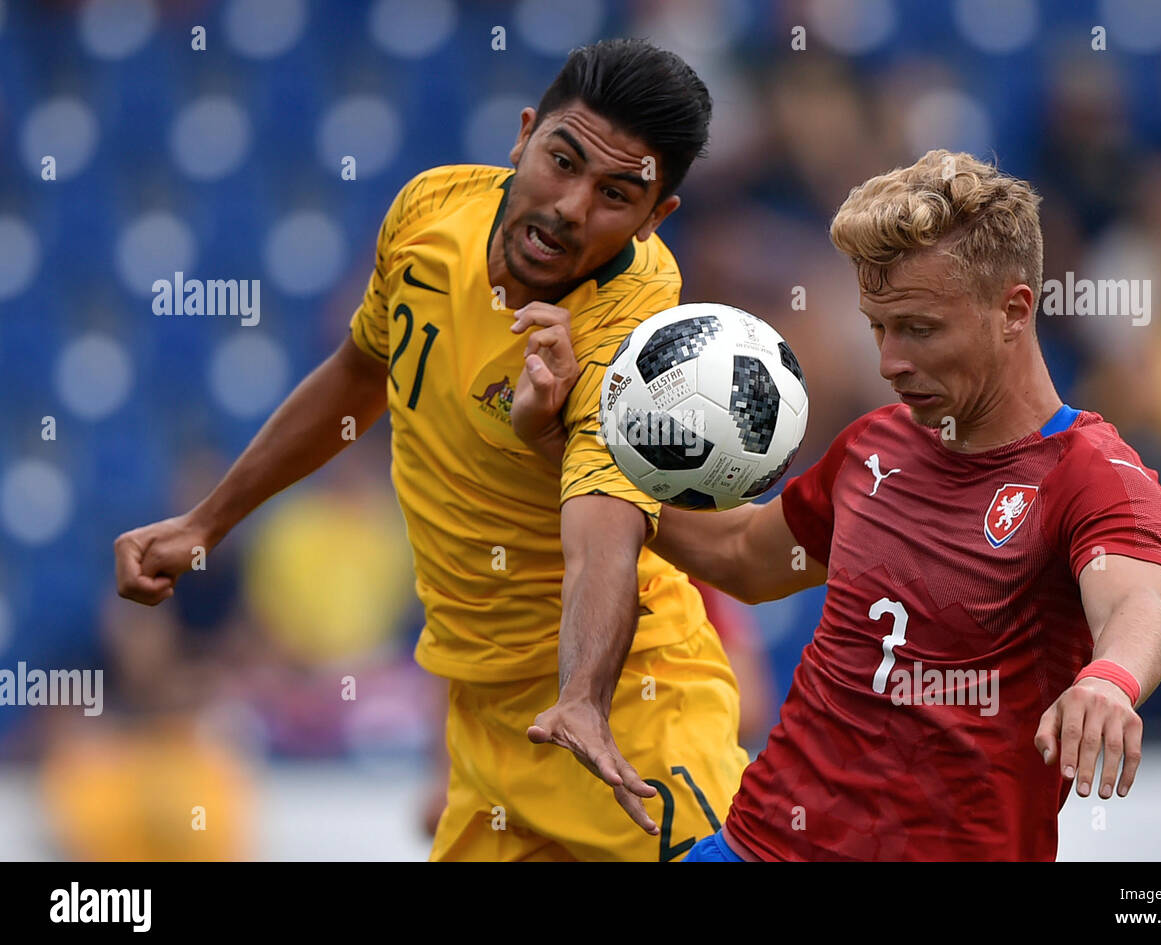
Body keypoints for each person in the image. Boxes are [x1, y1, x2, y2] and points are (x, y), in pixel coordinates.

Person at [114, 38, 749, 862]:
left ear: (656, 216)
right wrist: (208, 522)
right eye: (562, 161)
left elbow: (604, 525)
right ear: (524, 135)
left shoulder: (632, 335)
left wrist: (584, 695)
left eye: (616, 194)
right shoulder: (430, 212)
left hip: (629, 721)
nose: (570, 207)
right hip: (487, 724)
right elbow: (357, 372)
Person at [517, 150, 1161, 861]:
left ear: (1013, 311)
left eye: (919, 329)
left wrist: (1110, 683)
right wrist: (563, 442)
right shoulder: (874, 446)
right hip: (758, 845)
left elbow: (1137, 608)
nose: (890, 360)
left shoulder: (1092, 474)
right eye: (877, 328)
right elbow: (744, 556)